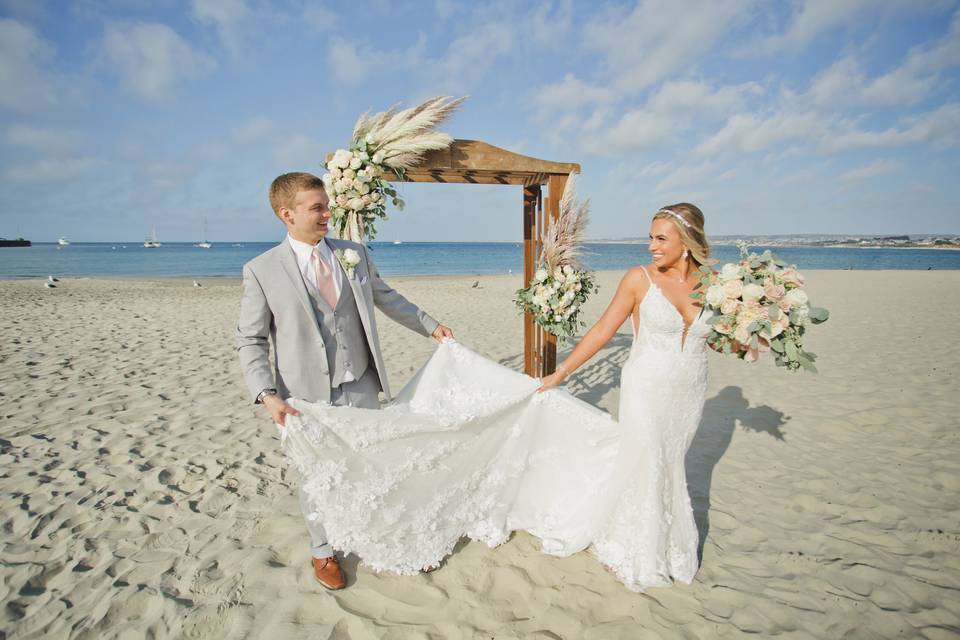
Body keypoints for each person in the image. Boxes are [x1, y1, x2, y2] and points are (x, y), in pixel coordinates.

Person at [280, 203, 714, 592]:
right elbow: (603, 331)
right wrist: (559, 372)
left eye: (661, 238)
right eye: (651, 236)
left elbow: (726, 339)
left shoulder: (716, 285)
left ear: (688, 242)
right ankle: (637, 542)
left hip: (689, 388)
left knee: (670, 459)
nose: (651, 245)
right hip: (647, 386)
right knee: (647, 454)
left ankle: (666, 537)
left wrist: (752, 331)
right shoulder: (639, 278)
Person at [236, 172, 453, 590]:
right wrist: (267, 395)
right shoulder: (261, 270)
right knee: (318, 476)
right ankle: (323, 552)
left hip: (362, 381)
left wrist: (429, 325)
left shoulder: (353, 254)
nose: (327, 213)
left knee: (376, 465)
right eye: (317, 207)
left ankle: (387, 539)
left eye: (326, 204)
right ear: (287, 214)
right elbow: (250, 339)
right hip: (304, 397)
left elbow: (385, 296)